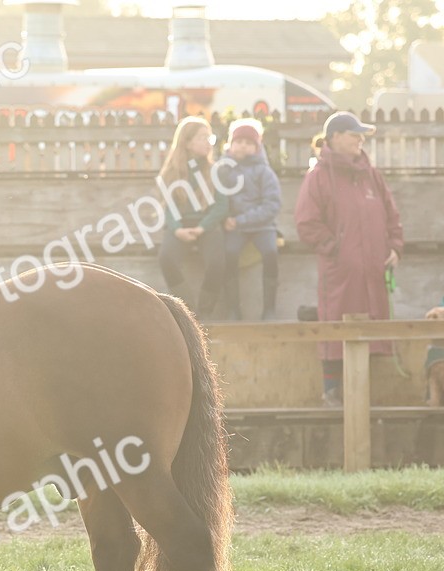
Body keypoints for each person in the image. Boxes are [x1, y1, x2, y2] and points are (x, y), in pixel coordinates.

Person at [295, 112, 403, 407]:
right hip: (340, 272)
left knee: (371, 327)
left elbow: (392, 215)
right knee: (335, 325)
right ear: (334, 138)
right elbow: (306, 222)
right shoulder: (318, 176)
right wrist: (336, 250)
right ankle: (331, 392)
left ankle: (362, 396)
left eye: (361, 134)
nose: (360, 139)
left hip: (374, 271)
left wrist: (394, 246)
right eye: (354, 133)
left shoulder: (372, 174)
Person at [156, 116, 229, 317]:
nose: (209, 142)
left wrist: (202, 227)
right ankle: (189, 313)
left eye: (210, 137)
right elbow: (168, 207)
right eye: (202, 137)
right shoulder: (171, 173)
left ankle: (205, 313)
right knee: (166, 258)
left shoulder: (215, 171)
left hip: (207, 225)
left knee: (217, 261)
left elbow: (222, 207)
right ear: (187, 143)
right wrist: (177, 229)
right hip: (179, 226)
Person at [220, 120, 282, 320]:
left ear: (257, 147)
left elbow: (272, 204)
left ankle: (269, 309)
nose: (243, 146)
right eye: (238, 142)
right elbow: (217, 200)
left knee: (271, 253)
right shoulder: (222, 170)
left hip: (262, 226)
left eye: (249, 143)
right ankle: (232, 308)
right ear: (230, 144)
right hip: (234, 226)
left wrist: (241, 220)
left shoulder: (264, 172)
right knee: (229, 254)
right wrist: (226, 219)